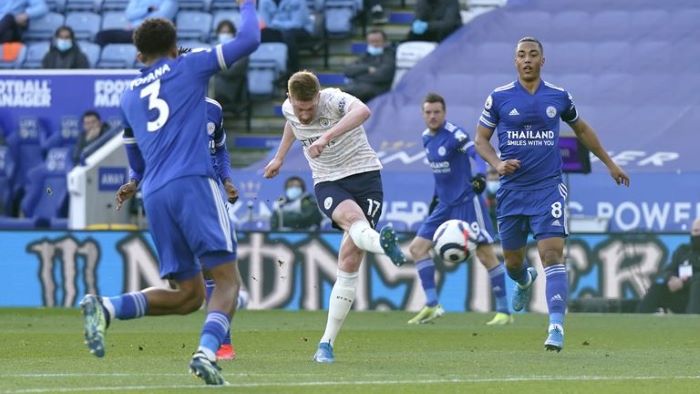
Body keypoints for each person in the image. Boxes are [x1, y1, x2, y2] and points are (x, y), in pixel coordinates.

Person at [79, 0, 259, 386]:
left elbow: (136, 161)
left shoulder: (128, 96)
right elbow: (249, 39)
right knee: (227, 281)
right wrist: (247, 5)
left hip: (155, 194)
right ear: (176, 47)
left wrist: (134, 181)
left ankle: (106, 307)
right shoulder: (189, 67)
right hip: (193, 182)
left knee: (188, 295)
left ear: (139, 55)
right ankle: (206, 354)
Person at [474, 37, 630, 352]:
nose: (527, 59)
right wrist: (497, 163)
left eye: (533, 55)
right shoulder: (499, 97)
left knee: (552, 254)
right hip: (513, 190)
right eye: (521, 55)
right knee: (514, 262)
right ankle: (522, 279)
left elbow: (582, 129)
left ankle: (555, 326)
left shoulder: (558, 96)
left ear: (543, 61)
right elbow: (480, 139)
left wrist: (610, 163)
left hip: (548, 187)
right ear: (515, 61)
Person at [263, 70, 407, 363]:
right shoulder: (290, 109)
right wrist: (279, 157)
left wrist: (326, 137)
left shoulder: (334, 100)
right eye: (299, 108)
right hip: (328, 179)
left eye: (309, 107)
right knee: (353, 221)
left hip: (365, 175)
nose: (304, 115)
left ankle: (326, 342)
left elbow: (364, 110)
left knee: (349, 259)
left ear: (317, 96)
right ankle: (384, 245)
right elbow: (293, 125)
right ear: (290, 98)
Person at [407, 93, 512, 326]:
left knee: (486, 255)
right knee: (417, 248)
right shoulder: (426, 138)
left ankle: (504, 312)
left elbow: (477, 154)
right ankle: (433, 304)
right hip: (444, 204)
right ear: (423, 114)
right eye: (428, 112)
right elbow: (440, 175)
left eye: (437, 112)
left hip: (466, 202)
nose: (432, 116)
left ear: (444, 113)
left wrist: (480, 177)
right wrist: (435, 199)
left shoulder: (455, 135)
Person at [637, 218, 700, 314]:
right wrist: (671, 278)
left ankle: (693, 324)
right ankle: (638, 321)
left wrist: (684, 283)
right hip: (684, 298)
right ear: (691, 232)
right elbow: (667, 270)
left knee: (698, 284)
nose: (698, 234)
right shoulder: (683, 250)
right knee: (658, 286)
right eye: (696, 231)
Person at [259, 0, 313, 78]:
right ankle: (263, 71)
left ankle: (295, 72)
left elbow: (297, 23)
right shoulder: (263, 2)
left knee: (287, 35)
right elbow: (267, 24)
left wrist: (277, 24)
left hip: (302, 30)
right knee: (260, 35)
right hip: (278, 30)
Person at [343, 29, 395, 103]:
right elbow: (348, 70)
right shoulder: (366, 55)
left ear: (385, 42)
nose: (374, 44)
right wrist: (367, 69)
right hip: (359, 88)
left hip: (377, 91)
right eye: (371, 42)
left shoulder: (389, 56)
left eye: (377, 41)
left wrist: (357, 75)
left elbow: (382, 75)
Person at [95, 0, 178, 47]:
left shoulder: (170, 1)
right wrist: (147, 9)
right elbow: (129, 14)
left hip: (151, 33)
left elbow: (160, 17)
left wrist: (138, 24)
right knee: (101, 36)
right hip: (132, 31)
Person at [211, 20, 249, 116]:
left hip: (229, 91)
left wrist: (213, 67)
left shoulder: (241, 52)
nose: (225, 35)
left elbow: (231, 72)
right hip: (212, 89)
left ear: (233, 34)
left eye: (228, 32)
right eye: (223, 32)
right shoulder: (214, 50)